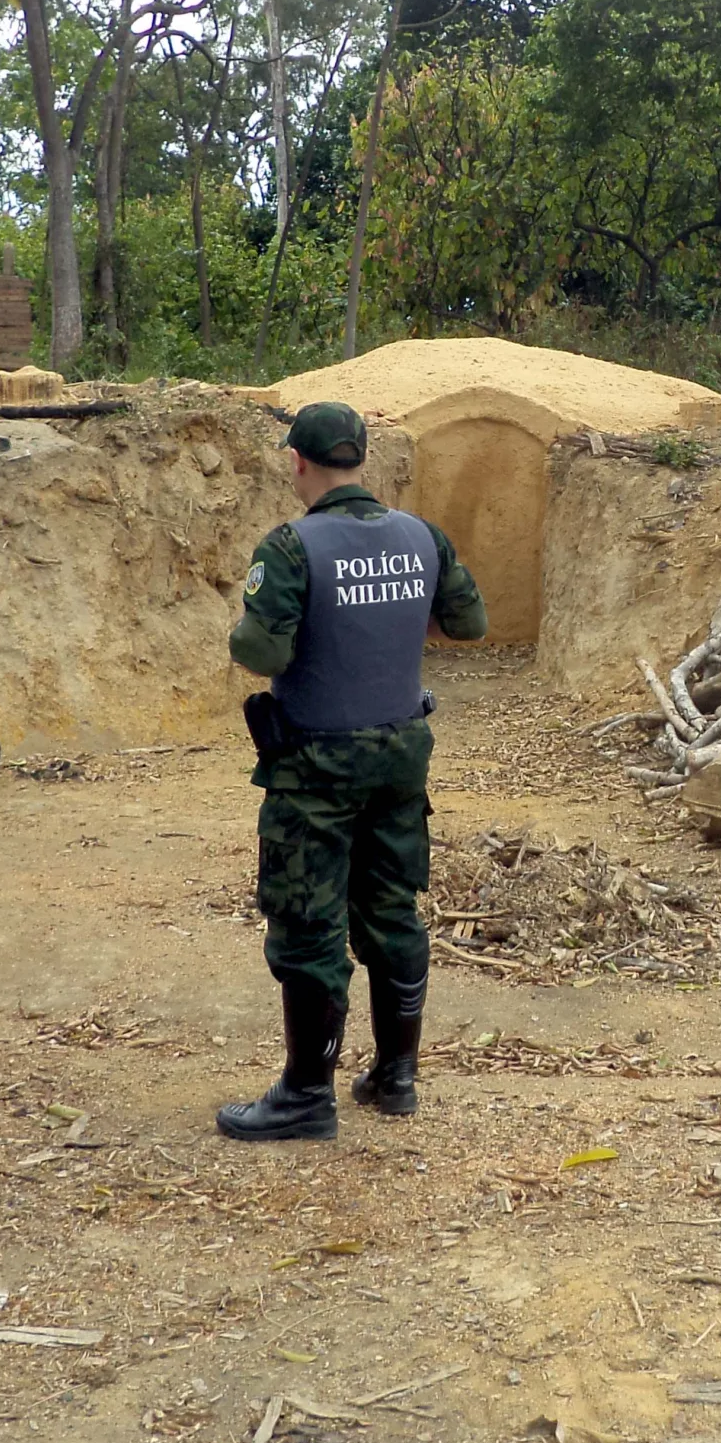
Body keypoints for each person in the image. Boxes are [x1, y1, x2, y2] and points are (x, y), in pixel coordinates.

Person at [217, 400, 487, 1141]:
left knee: (308, 923)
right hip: (400, 757)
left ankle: (307, 1097)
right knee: (391, 910)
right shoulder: (420, 537)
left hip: (316, 769)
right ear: (361, 459)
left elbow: (262, 653)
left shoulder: (292, 548)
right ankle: (396, 1078)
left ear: (297, 462)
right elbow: (470, 623)